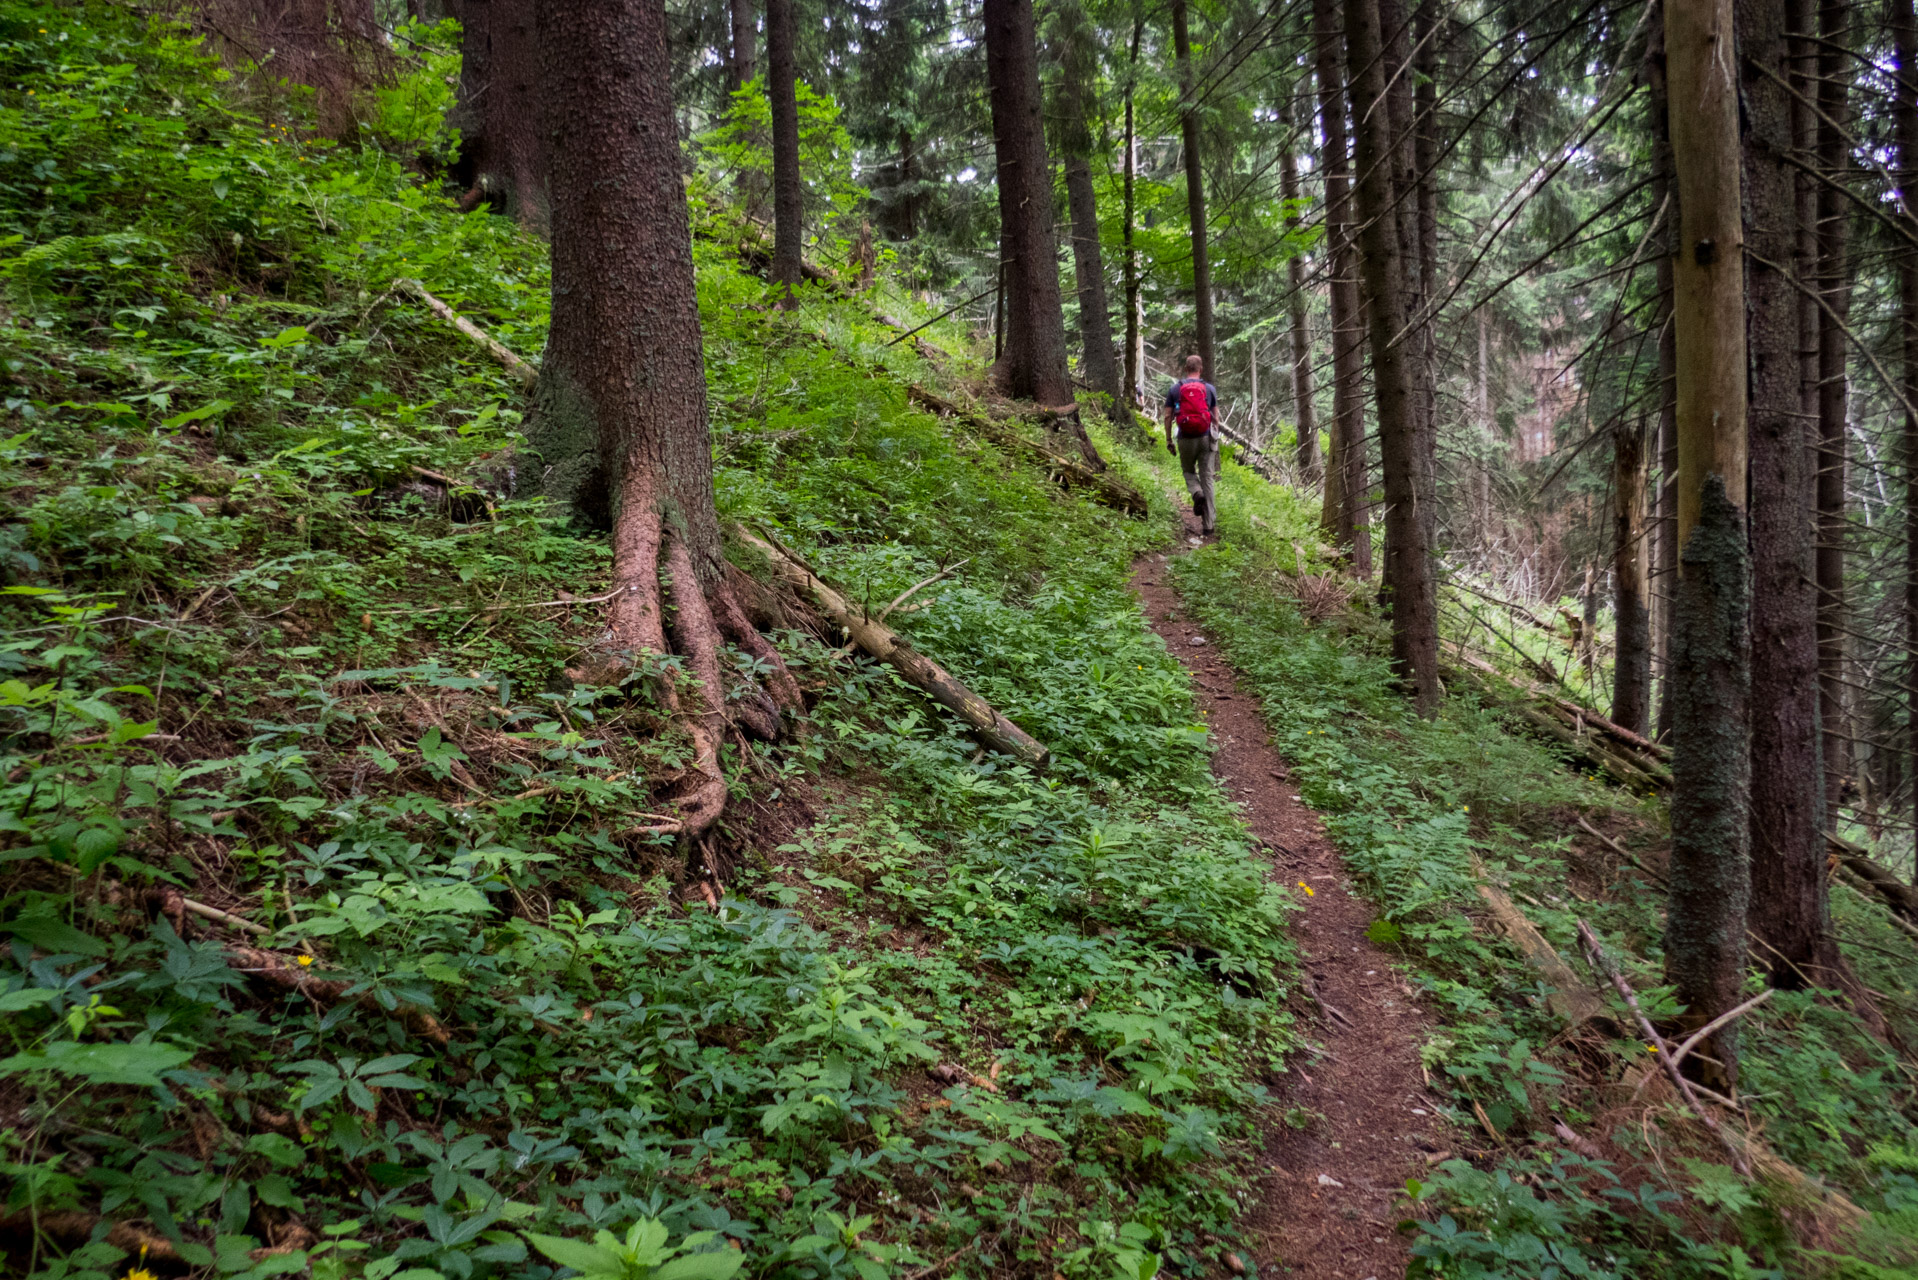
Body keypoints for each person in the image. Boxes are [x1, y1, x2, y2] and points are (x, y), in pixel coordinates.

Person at [1163, 354, 1219, 534]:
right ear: (1200, 369)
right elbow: (1216, 418)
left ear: (1186, 369)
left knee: (1188, 471)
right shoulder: (1209, 389)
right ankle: (1209, 525)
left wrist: (1168, 439)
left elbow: (1167, 416)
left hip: (1185, 437)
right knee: (1207, 478)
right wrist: (1214, 435)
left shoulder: (1175, 389)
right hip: (1205, 437)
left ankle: (1196, 493)